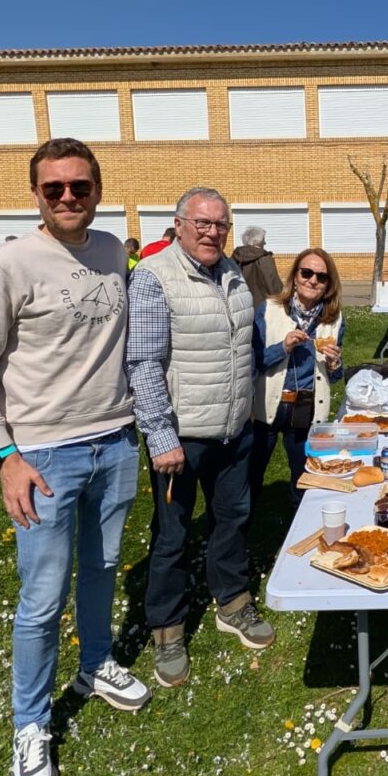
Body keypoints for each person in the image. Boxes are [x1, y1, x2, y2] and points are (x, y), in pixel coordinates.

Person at [0, 138, 150, 776]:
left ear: (98, 189)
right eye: (54, 187)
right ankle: (29, 727)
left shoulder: (114, 252)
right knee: (39, 600)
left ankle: (95, 666)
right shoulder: (6, 265)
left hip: (115, 442)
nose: (68, 197)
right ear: (35, 193)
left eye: (80, 187)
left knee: (101, 568)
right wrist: (5, 455)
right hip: (43, 457)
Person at [126, 187, 274, 690]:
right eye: (203, 223)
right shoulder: (152, 277)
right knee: (171, 535)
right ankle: (167, 629)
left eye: (221, 225)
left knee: (233, 517)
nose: (213, 232)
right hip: (182, 437)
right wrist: (160, 434)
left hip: (234, 429)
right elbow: (143, 363)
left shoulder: (232, 272)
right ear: (180, 223)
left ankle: (232, 602)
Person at [251, 248, 344, 507]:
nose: (313, 280)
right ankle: (241, 537)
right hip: (267, 406)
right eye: (307, 273)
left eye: (321, 277)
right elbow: (252, 359)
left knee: (303, 478)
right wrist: (282, 347)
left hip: (305, 407)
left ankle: (298, 529)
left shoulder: (333, 320)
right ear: (295, 276)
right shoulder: (269, 310)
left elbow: (335, 376)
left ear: (328, 285)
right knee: (250, 477)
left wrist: (335, 363)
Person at [232, 225, 282, 308]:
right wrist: (283, 299)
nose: (265, 243)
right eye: (264, 240)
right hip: (262, 308)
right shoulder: (265, 258)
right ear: (258, 241)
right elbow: (273, 284)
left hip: (240, 306)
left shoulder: (234, 258)